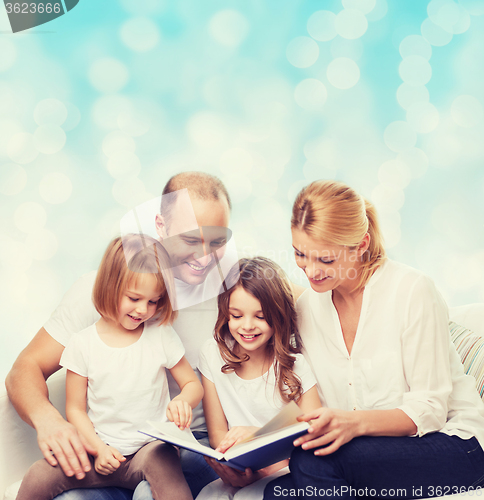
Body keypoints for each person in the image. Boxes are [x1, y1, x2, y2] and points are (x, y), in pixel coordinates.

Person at [6, 172, 231, 500]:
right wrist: (48, 420)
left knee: (148, 490)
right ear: (161, 226)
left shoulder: (233, 290)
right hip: (106, 448)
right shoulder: (102, 290)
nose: (205, 257)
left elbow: (293, 295)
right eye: (192, 240)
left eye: (218, 241)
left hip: (183, 445)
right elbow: (24, 369)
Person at [263, 180, 484, 499]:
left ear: (361, 244)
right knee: (278, 493)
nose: (310, 271)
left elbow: (430, 410)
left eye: (325, 260)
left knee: (311, 463)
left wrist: (353, 424)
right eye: (301, 254)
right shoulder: (307, 309)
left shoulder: (411, 291)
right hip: (375, 452)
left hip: (456, 445)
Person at [16, 234, 203, 500]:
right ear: (110, 286)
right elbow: (75, 410)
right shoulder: (82, 344)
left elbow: (192, 384)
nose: (143, 310)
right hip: (100, 452)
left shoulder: (160, 334)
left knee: (163, 460)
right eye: (134, 298)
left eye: (153, 301)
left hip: (149, 450)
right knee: (39, 475)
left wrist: (184, 400)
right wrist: (98, 449)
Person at [198, 257, 321, 498]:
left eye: (260, 316)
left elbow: (313, 435)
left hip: (286, 471)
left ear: (278, 316)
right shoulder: (212, 353)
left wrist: (257, 443)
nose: (247, 326)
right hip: (238, 469)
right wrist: (237, 468)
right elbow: (217, 435)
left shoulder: (297, 366)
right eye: (236, 315)